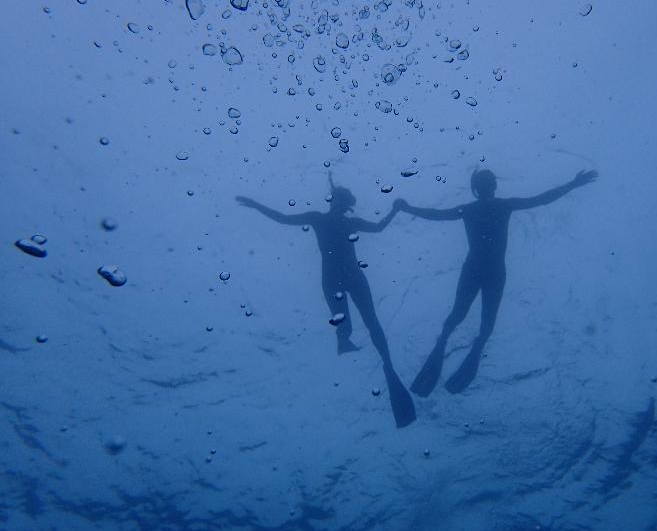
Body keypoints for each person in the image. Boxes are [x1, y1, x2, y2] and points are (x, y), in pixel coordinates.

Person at [396, 168, 598, 396]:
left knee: (460, 318)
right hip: (492, 272)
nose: (487, 186)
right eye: (487, 182)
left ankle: (445, 343)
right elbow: (541, 199)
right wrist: (572, 184)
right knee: (480, 322)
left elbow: (436, 214)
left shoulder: (472, 209)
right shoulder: (502, 206)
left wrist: (407, 208)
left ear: (477, 188)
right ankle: (458, 346)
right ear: (492, 186)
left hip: (475, 270)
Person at [236, 179, 416, 428]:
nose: (344, 205)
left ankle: (382, 361)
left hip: (338, 277)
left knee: (362, 324)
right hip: (347, 276)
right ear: (341, 203)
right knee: (359, 325)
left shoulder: (324, 219)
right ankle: (374, 356)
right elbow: (282, 218)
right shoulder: (330, 220)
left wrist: (396, 210)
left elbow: (283, 218)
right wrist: (256, 205)